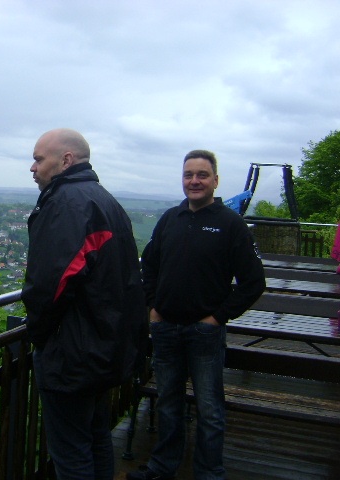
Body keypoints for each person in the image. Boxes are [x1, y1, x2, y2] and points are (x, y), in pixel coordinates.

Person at [128, 150, 265, 480]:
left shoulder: (231, 225)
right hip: (166, 328)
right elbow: (149, 267)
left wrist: (217, 318)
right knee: (168, 403)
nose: (194, 181)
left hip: (205, 332)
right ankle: (163, 468)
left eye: (202, 175)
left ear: (215, 181)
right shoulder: (170, 219)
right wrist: (153, 307)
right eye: (188, 174)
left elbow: (253, 282)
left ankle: (209, 473)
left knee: (209, 408)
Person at [21, 128, 147, 479]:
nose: (32, 168)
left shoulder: (65, 204)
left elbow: (52, 284)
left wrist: (39, 335)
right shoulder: (105, 201)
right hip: (104, 346)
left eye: (38, 159)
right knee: (95, 438)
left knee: (71, 452)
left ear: (66, 160)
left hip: (72, 353)